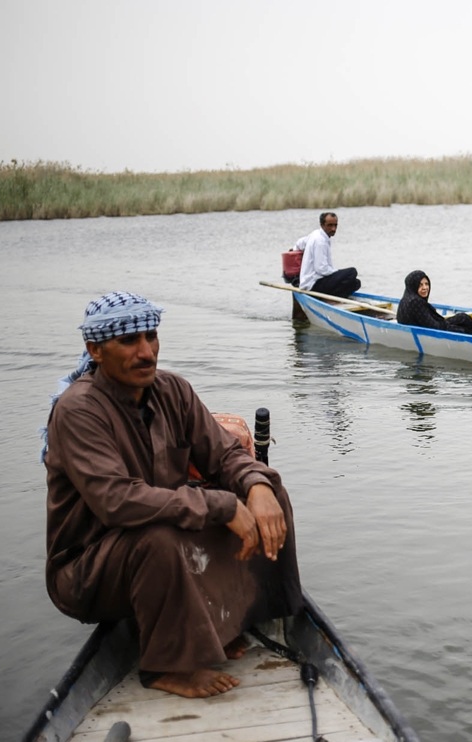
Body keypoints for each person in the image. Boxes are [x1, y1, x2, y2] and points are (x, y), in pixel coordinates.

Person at [42, 292, 302, 699]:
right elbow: (118, 501)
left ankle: (236, 622)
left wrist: (256, 486)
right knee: (162, 537)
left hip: (155, 534)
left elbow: (225, 454)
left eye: (151, 337)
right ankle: (167, 667)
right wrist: (221, 505)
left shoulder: (172, 391)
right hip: (89, 567)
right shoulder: (78, 411)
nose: (146, 352)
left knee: (269, 493)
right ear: (95, 350)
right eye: (129, 341)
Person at [396, 270, 472, 335]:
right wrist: (457, 327)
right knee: (465, 321)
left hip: (425, 328)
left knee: (463, 317)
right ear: (413, 286)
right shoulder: (416, 302)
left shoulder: (406, 299)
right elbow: (434, 327)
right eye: (420, 285)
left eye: (426, 284)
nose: (425, 288)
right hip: (432, 332)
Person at [295, 212, 361, 298]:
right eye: (330, 225)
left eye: (335, 225)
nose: (333, 228)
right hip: (313, 284)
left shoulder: (316, 234)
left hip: (313, 281)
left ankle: (334, 296)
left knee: (356, 283)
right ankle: (332, 298)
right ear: (322, 225)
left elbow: (299, 243)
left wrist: (294, 249)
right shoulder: (320, 241)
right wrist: (337, 272)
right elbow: (321, 269)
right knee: (352, 272)